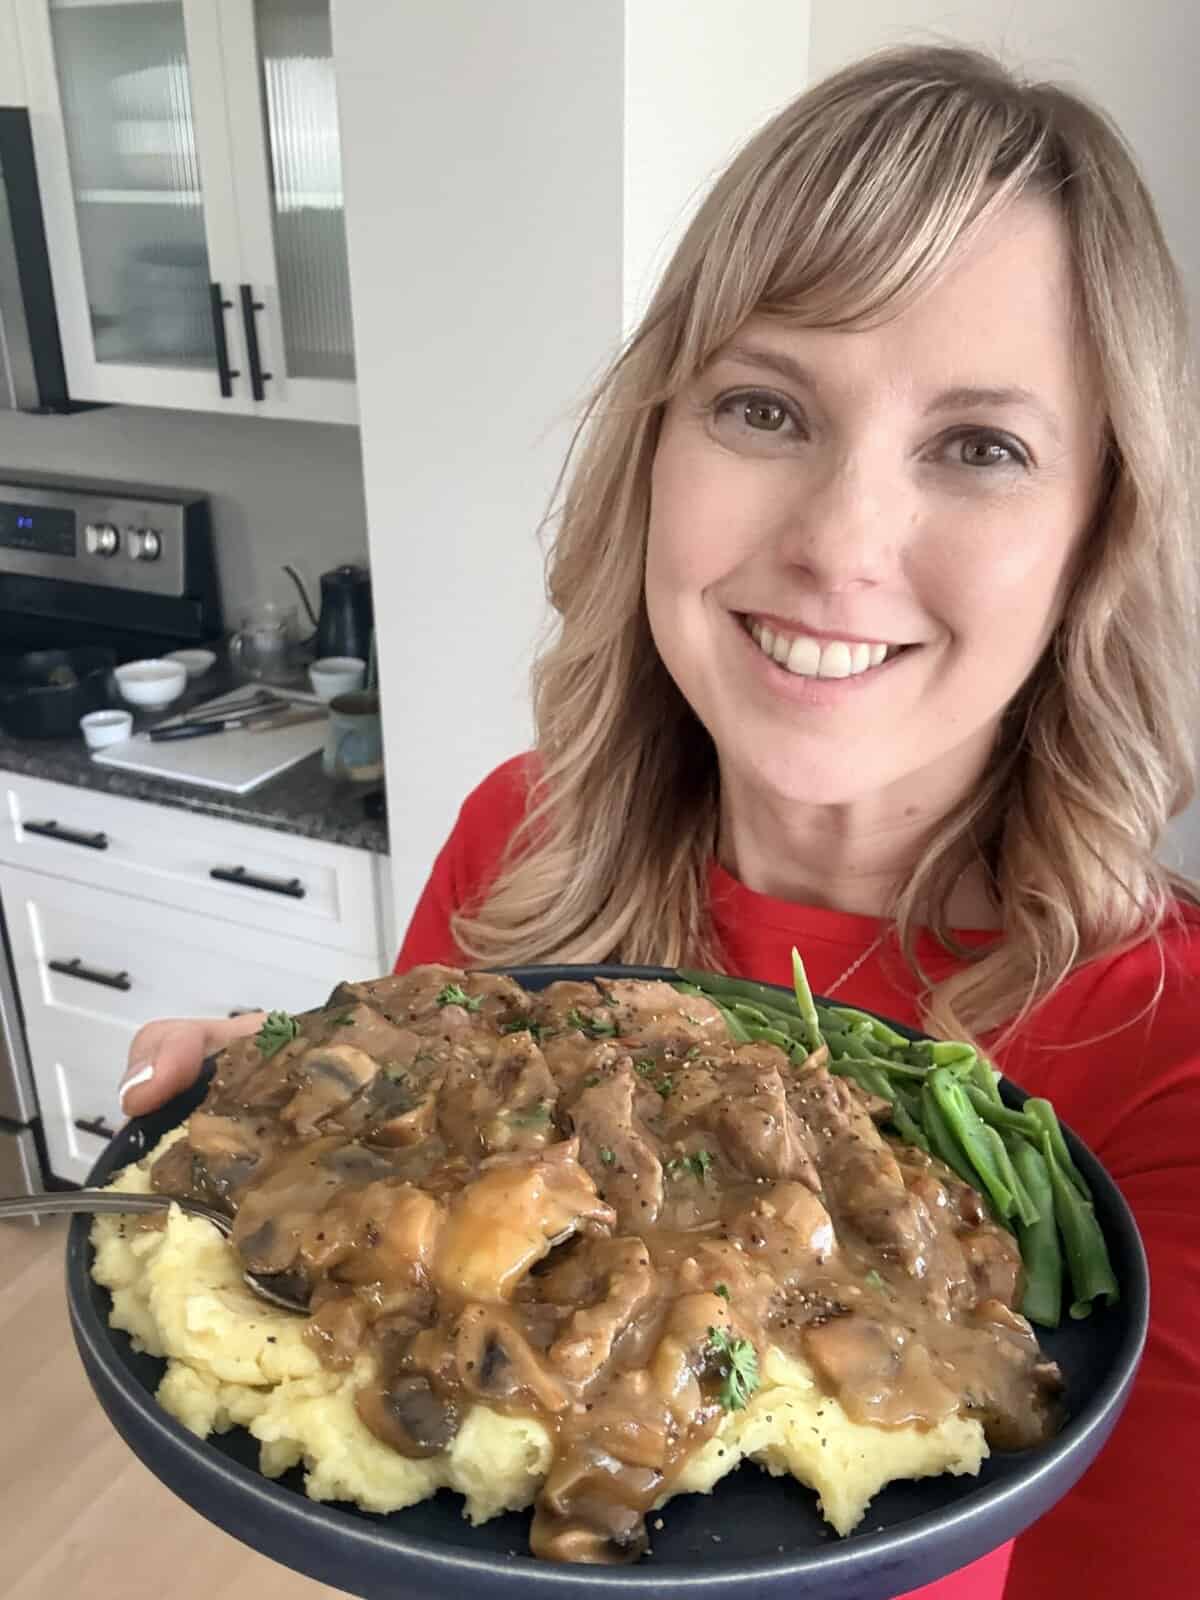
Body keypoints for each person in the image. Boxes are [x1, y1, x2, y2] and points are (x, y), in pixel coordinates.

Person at [119, 44, 1200, 1600]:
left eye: (981, 448)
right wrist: (296, 1145)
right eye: (765, 407)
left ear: (1106, 527)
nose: (840, 543)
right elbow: (419, 1498)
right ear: (655, 446)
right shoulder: (522, 839)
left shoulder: (1176, 1057)